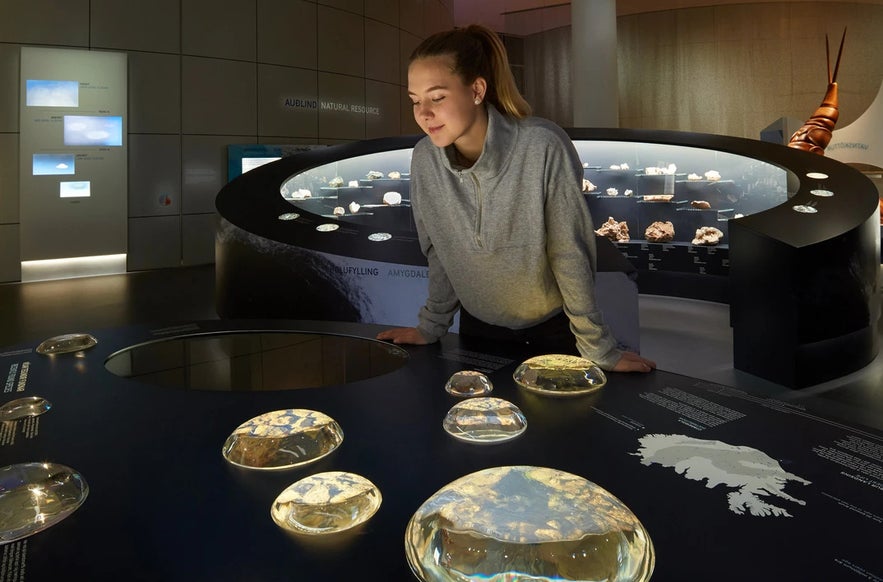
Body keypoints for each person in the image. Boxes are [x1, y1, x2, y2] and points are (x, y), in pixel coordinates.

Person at [376, 24, 655, 373]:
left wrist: (598, 348)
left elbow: (569, 253)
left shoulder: (543, 145)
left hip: (554, 334)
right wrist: (431, 327)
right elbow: (440, 251)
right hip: (479, 333)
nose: (423, 113)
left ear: (477, 89)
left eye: (438, 97)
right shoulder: (424, 159)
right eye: (415, 101)